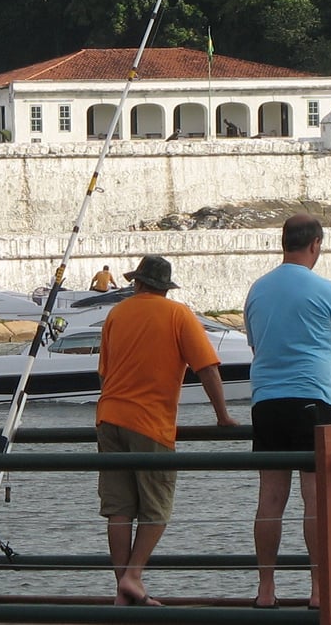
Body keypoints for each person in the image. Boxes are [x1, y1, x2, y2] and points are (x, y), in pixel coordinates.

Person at [244, 214, 331, 609]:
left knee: (270, 498)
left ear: (283, 243)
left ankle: (266, 590)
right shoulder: (324, 289)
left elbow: (258, 347)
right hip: (312, 401)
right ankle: (319, 589)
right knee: (315, 499)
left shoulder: (257, 290)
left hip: (266, 403)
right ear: (316, 244)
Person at [96, 254, 238, 606]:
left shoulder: (116, 314)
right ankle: (133, 575)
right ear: (165, 288)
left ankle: (123, 589)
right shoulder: (178, 314)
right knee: (157, 507)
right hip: (150, 422)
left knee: (119, 508)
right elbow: (206, 368)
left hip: (109, 417)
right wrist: (223, 416)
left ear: (138, 283)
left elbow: (104, 373)